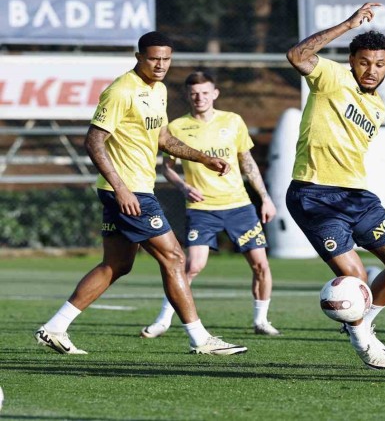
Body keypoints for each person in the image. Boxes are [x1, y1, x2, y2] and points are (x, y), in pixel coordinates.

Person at [34, 32, 246, 356]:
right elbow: (93, 141)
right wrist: (121, 189)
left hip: (134, 189)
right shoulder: (121, 90)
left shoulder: (158, 90)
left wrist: (203, 157)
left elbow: (164, 139)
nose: (161, 65)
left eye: (166, 59)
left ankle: (55, 327)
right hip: (129, 190)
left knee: (116, 265)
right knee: (174, 257)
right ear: (138, 57)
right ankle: (200, 338)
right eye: (153, 58)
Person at [285, 2, 385, 371]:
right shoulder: (330, 77)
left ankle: (363, 321)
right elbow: (297, 54)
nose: (371, 70)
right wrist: (347, 24)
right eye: (363, 62)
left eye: (379, 64)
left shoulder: (378, 107)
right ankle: (362, 339)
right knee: (355, 277)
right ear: (351, 60)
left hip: (357, 196)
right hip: (314, 194)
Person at [139, 71, 280, 340]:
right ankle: (163, 320)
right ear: (187, 96)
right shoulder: (177, 127)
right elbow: (167, 169)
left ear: (215, 93)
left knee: (261, 264)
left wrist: (265, 198)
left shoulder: (233, 121)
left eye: (205, 92)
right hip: (202, 208)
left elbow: (247, 162)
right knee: (192, 266)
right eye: (194, 93)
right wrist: (183, 186)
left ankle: (261, 320)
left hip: (240, 206)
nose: (199, 98)